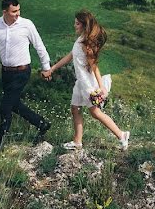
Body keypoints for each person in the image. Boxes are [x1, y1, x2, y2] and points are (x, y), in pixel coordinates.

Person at [0, 0, 53, 154]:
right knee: (14, 105)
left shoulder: (27, 25)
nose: (18, 14)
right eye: (14, 11)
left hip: (22, 72)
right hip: (6, 73)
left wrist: (46, 67)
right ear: (5, 12)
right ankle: (41, 123)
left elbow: (39, 46)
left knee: (5, 106)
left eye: (18, 10)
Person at [47, 9, 129, 150]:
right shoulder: (80, 41)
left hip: (88, 85)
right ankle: (77, 141)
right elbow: (70, 56)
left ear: (84, 26)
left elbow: (94, 66)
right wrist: (53, 68)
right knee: (75, 109)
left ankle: (122, 135)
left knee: (95, 113)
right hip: (81, 83)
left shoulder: (86, 45)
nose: (75, 26)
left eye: (77, 24)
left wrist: (101, 86)